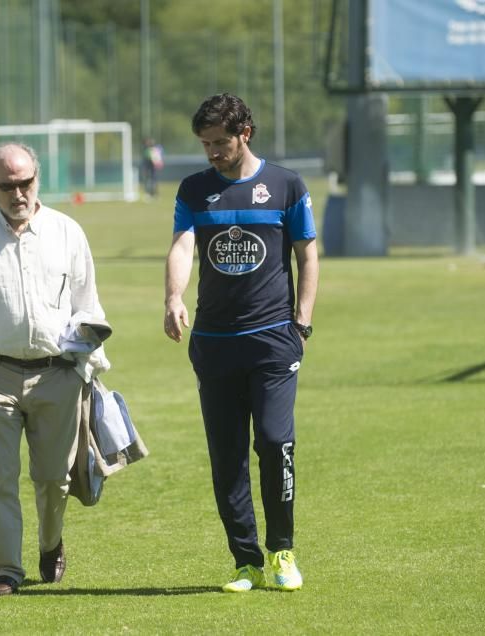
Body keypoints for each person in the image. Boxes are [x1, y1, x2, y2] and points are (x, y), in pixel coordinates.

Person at [163, 93, 318, 593]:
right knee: (226, 456)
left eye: (219, 143)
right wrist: (173, 297)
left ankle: (283, 552)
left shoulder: (285, 186)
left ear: (244, 133)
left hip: (273, 340)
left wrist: (302, 322)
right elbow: (183, 244)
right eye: (205, 144)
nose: (211, 152)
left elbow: (306, 255)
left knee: (275, 443)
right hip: (214, 342)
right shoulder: (194, 189)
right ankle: (245, 562)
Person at [0, 142, 107, 597]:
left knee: (54, 478)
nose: (18, 193)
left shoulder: (68, 232)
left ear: (38, 180)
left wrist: (86, 366)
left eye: (26, 182)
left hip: (59, 374)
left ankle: (51, 543)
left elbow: (87, 306)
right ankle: (6, 570)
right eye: (7, 185)